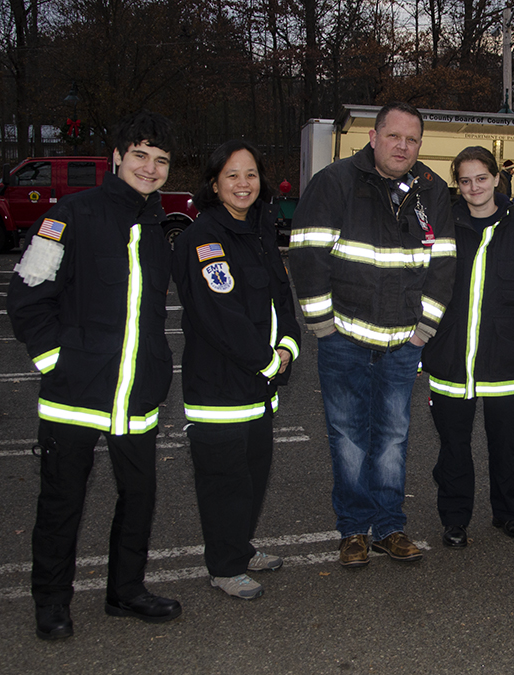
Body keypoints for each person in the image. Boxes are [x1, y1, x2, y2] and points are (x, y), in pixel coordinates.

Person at [7, 110, 181, 640]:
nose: (149, 168)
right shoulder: (71, 214)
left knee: (140, 498)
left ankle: (125, 591)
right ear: (117, 157)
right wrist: (57, 363)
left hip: (138, 394)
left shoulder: (160, 226)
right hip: (74, 394)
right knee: (62, 502)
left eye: (161, 161)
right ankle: (52, 602)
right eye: (140, 156)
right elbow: (28, 296)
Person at [289, 102, 456, 568]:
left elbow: (443, 264)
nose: (403, 146)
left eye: (412, 139)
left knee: (393, 436)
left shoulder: (430, 190)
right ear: (373, 137)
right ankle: (353, 531)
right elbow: (307, 253)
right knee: (347, 437)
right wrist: (322, 324)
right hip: (344, 337)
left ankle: (388, 527)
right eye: (394, 136)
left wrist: (424, 329)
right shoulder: (336, 182)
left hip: (404, 342)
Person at [172, 140, 302, 599]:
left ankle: (239, 549)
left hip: (260, 385)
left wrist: (288, 346)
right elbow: (218, 317)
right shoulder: (203, 239)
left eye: (250, 174)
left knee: (252, 476)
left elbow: (282, 300)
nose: (243, 184)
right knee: (224, 482)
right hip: (220, 389)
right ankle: (224, 566)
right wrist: (270, 361)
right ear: (213, 183)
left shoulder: (261, 232)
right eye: (232, 175)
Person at [422, 146, 514, 548]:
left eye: (481, 178)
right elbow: (423, 285)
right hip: (450, 361)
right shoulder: (443, 227)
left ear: (497, 178)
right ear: (457, 185)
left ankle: (507, 513)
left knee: (506, 448)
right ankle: (455, 518)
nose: (473, 187)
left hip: (506, 360)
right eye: (464, 180)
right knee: (453, 450)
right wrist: (422, 345)